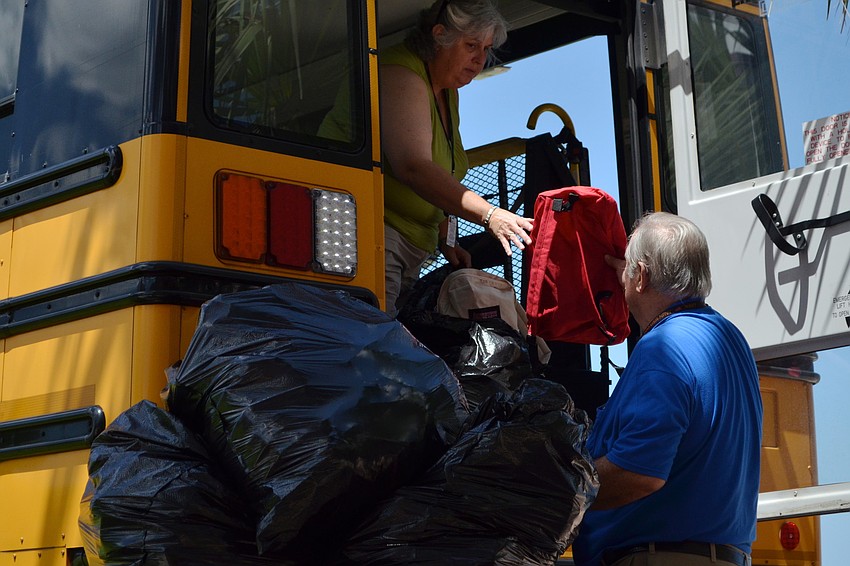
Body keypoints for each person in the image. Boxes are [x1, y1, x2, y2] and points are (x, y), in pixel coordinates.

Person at [572, 212, 763, 566]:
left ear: (641, 276)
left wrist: (556, 493)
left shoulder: (662, 348)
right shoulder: (731, 340)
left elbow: (639, 472)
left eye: (629, 270)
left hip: (659, 557)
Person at [378, 0, 534, 316]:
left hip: (413, 249)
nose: (480, 59)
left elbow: (443, 171)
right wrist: (491, 215)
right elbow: (414, 167)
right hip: (380, 237)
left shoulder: (449, 92)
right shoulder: (400, 73)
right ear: (439, 36)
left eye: (486, 48)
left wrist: (445, 237)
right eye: (471, 45)